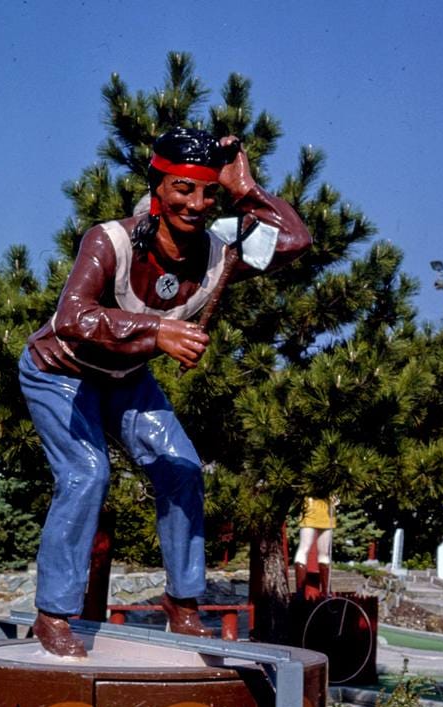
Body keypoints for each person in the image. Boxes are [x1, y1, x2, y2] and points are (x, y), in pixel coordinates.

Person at [20, 127, 311, 657]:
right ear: (158, 188)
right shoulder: (110, 240)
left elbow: (293, 241)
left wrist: (246, 187)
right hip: (61, 372)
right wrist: (156, 332)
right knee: (87, 475)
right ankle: (53, 613)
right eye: (182, 189)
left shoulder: (220, 254)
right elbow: (71, 316)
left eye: (207, 193)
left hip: (124, 378)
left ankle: (183, 604)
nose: (196, 204)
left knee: (181, 466)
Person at [294, 497, 336, 596]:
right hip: (310, 507)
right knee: (304, 549)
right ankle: (300, 591)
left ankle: (326, 591)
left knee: (324, 552)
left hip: (327, 509)